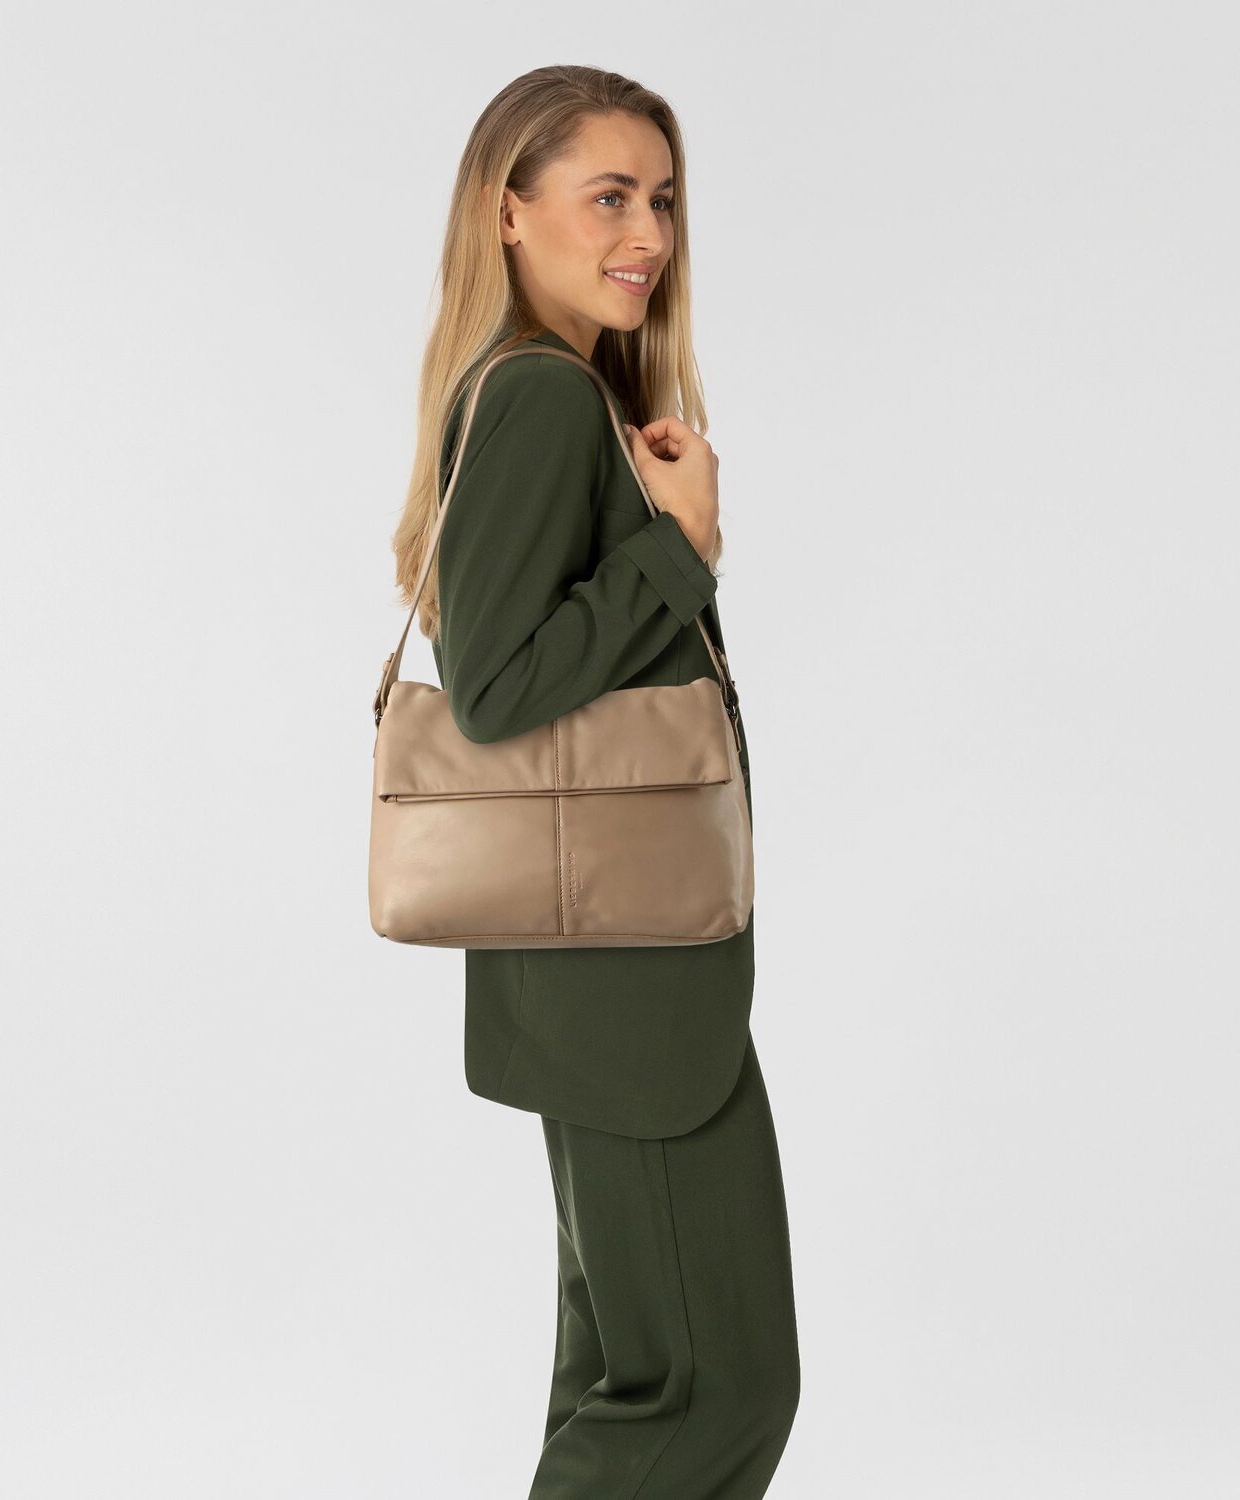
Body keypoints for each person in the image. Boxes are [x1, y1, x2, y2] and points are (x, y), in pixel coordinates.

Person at [388, 65, 800, 1497]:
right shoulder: (542, 399)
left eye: (664, 200)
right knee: (710, 1387)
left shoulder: (555, 393)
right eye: (609, 196)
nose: (648, 235)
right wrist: (680, 548)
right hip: (629, 987)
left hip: (604, 967)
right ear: (508, 211)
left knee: (634, 1380)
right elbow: (499, 688)